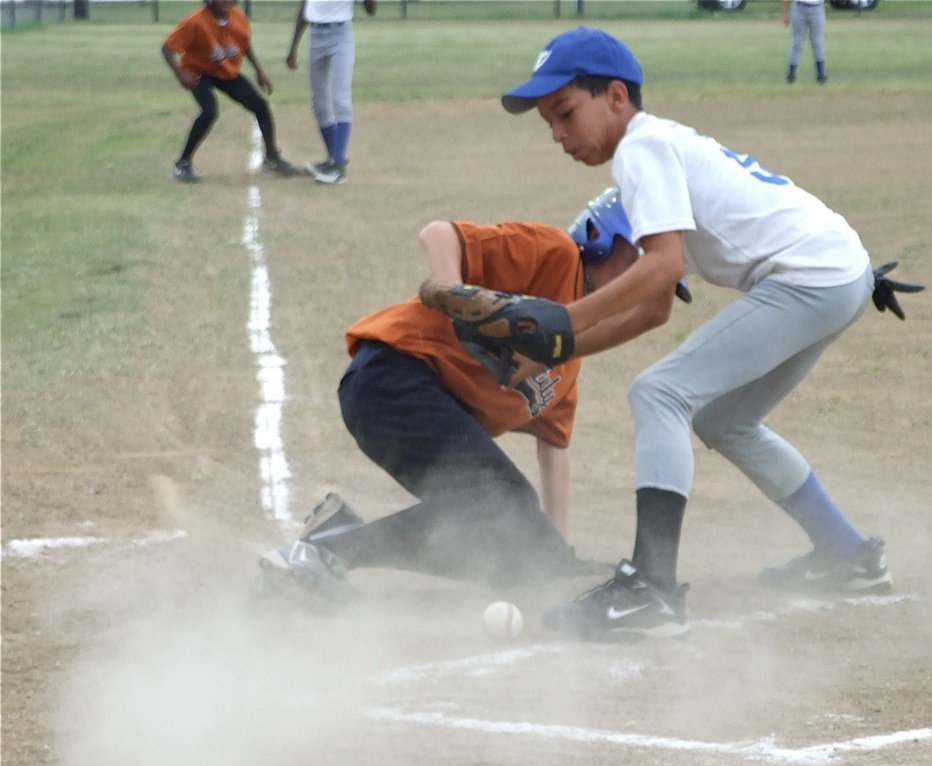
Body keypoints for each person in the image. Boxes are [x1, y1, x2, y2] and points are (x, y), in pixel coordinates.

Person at [431, 26, 906, 639]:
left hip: (811, 278)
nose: (557, 133)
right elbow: (656, 306)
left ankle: (651, 588)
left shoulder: (641, 150)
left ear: (618, 98)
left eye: (566, 112)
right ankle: (849, 555)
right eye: (549, 121)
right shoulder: (659, 147)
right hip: (836, 272)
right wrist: (558, 349)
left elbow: (664, 265)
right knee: (721, 420)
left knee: (659, 392)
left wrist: (566, 321)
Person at [258, 190, 644, 608]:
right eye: (637, 261)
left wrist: (552, 553)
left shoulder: (571, 348)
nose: (643, 283)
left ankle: (333, 535)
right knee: (501, 502)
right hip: (391, 377)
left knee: (518, 548)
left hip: (417, 404)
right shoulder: (556, 254)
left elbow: (554, 448)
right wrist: (461, 305)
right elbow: (439, 235)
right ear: (602, 237)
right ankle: (325, 553)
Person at [162, 0, 300, 182]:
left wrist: (259, 71)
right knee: (209, 110)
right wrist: (180, 74)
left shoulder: (238, 17)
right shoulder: (195, 22)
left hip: (225, 71)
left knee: (260, 106)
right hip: (198, 72)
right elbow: (167, 48)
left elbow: (245, 44)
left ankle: (272, 158)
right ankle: (182, 163)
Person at [286, 0, 376, 185]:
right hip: (316, 34)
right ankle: (333, 159)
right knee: (319, 104)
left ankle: (338, 168)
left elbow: (370, 10)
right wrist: (293, 48)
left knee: (340, 99)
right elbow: (305, 7)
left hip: (340, 34)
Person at [782, 0, 827, 84]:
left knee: (817, 42)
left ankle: (821, 75)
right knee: (797, 42)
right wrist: (785, 13)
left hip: (817, 7)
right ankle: (791, 75)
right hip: (799, 7)